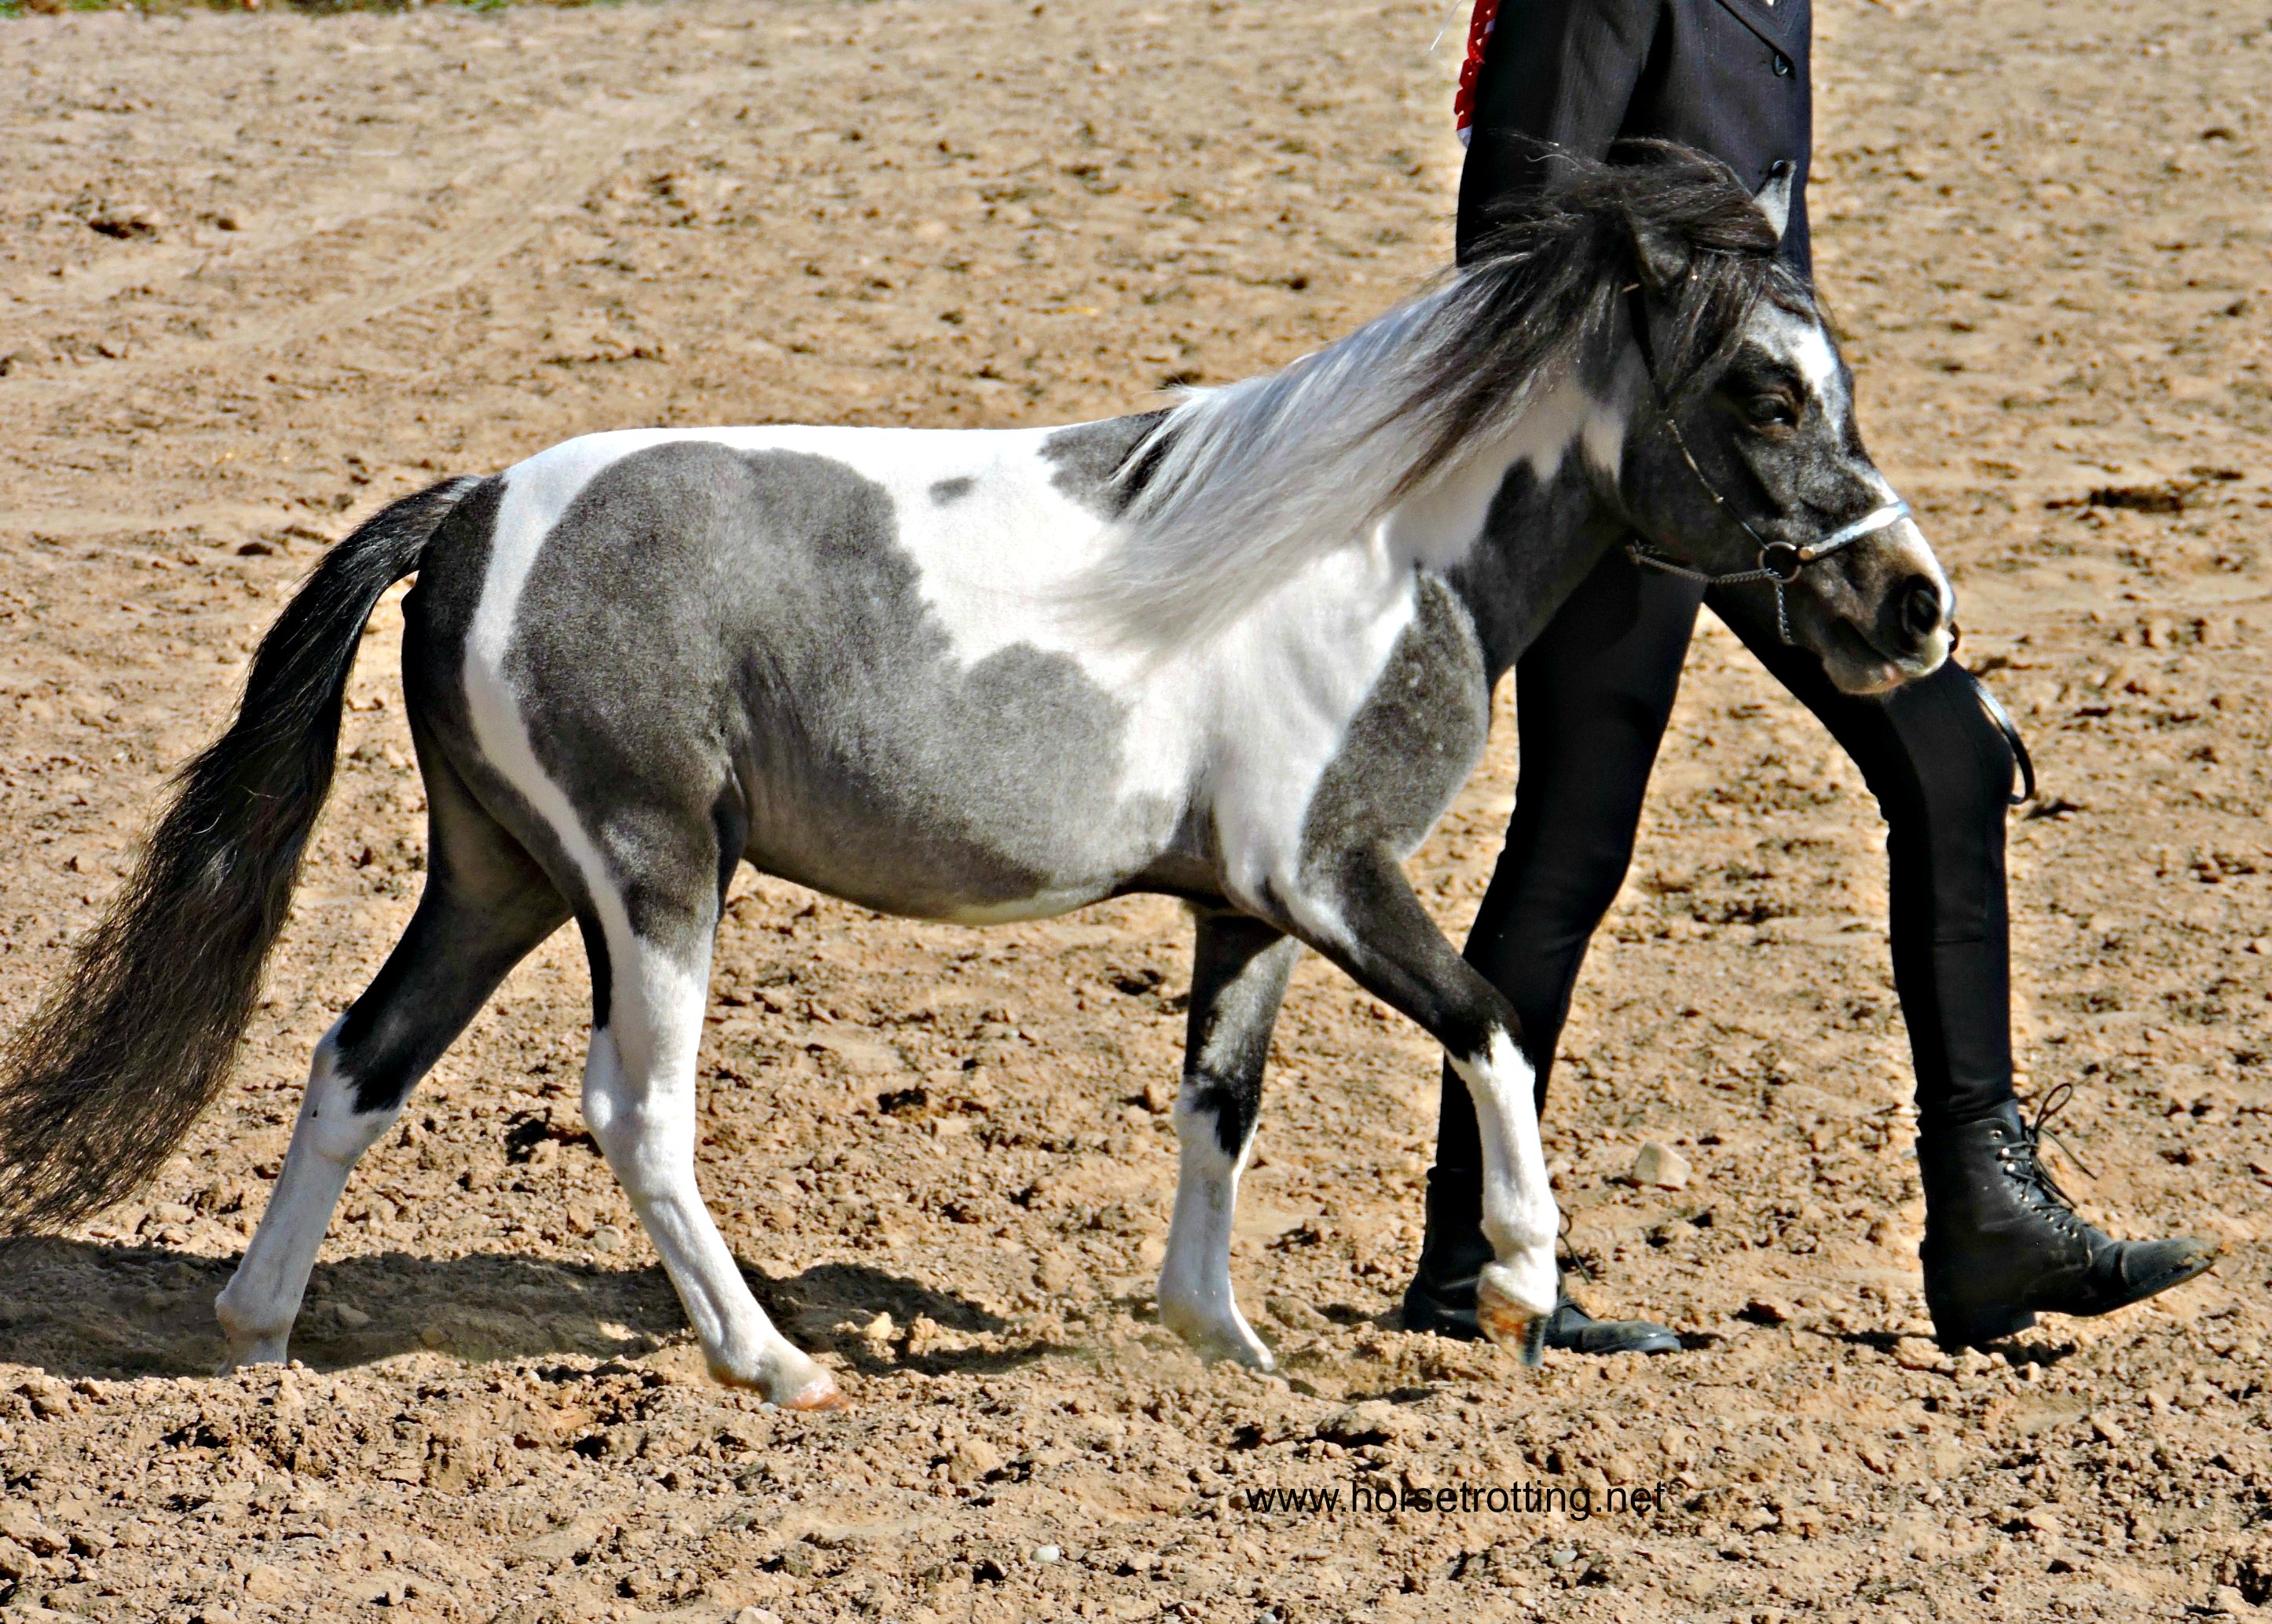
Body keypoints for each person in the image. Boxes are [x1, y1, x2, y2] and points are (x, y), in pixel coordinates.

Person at [1409, 0, 2215, 1355]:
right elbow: (1508, 241)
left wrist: (1848, 496)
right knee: (1572, 847)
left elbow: (1778, 277)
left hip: (1764, 476)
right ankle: (1466, 1265)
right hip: (1615, 482)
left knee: (1951, 758)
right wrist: (1670, 422)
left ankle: (1986, 1214)